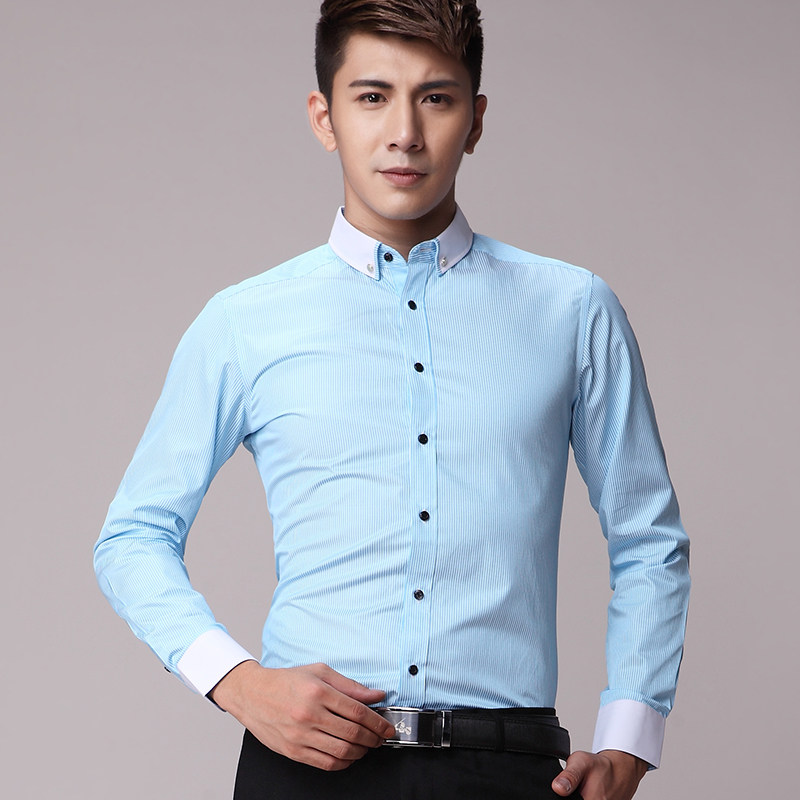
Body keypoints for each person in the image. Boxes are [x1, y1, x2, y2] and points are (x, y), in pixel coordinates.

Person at [94, 1, 690, 798]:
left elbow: (648, 540)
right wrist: (237, 682)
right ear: (324, 117)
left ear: (475, 120)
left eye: (435, 98)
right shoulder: (243, 323)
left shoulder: (573, 311)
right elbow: (132, 536)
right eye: (372, 97)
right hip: (306, 770)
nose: (404, 133)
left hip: (506, 770)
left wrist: (629, 739)